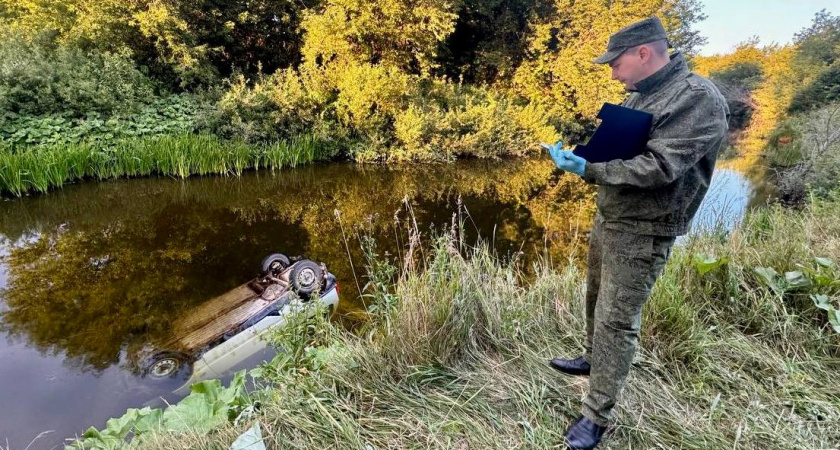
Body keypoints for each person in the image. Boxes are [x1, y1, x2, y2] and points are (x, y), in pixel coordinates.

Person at [545, 16, 730, 450]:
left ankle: (595, 416)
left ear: (643, 53)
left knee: (616, 318)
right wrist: (586, 158)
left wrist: (590, 168)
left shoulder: (697, 97)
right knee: (596, 298)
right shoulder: (647, 94)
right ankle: (594, 359)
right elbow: (627, 151)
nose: (612, 72)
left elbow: (661, 166)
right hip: (612, 215)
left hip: (646, 228)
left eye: (616, 62)